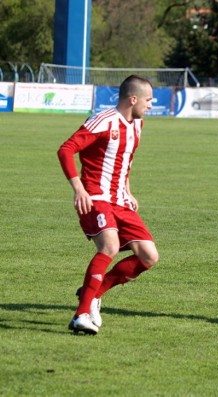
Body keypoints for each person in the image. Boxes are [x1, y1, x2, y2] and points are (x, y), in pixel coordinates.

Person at [57, 75, 159, 334]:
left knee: (149, 256)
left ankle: (94, 294)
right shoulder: (103, 121)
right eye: (148, 100)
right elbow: (66, 150)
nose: (150, 104)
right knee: (110, 246)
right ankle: (80, 315)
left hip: (120, 200)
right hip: (95, 196)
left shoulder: (138, 125)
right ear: (133, 99)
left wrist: (128, 191)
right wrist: (79, 189)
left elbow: (125, 159)